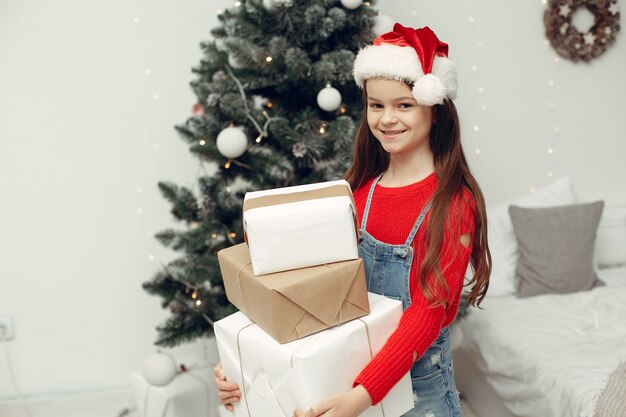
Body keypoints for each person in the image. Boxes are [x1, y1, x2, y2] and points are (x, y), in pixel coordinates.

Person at [214, 23, 491, 417]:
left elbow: (427, 314)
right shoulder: (357, 196)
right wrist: (238, 359)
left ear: (435, 106)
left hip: (416, 394)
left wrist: (363, 395)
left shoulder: (455, 203)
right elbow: (302, 287)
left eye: (404, 104)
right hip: (351, 380)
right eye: (376, 105)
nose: (387, 118)